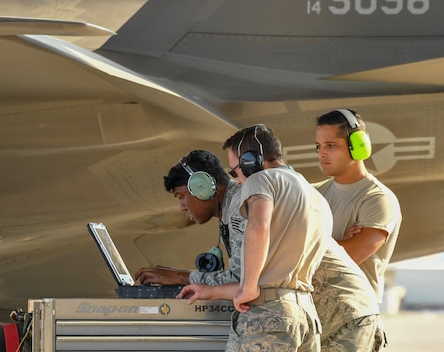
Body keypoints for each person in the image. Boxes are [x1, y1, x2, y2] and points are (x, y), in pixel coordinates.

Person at [180, 124, 331, 352]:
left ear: (251, 162)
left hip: (267, 318)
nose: (237, 181)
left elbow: (259, 227)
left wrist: (248, 287)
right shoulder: (314, 195)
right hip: (305, 316)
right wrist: (210, 291)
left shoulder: (259, 180)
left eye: (235, 171)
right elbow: (272, 280)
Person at [314, 109, 402, 348]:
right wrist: (338, 243)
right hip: (313, 320)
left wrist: (327, 244)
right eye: (319, 146)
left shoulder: (377, 199)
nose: (322, 153)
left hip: (350, 323)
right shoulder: (314, 194)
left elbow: (348, 257)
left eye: (331, 145)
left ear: (358, 146)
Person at [134, 149, 246, 288]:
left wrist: (179, 277)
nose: (181, 207)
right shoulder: (233, 204)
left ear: (202, 187)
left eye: (181, 197)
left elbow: (241, 279)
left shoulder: (239, 207)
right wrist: (179, 275)